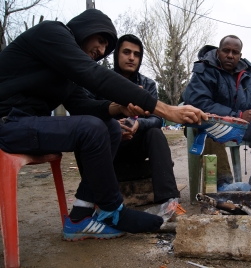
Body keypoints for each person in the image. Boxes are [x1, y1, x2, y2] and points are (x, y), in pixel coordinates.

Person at [0, 9, 206, 241]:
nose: (100, 51)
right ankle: (111, 210)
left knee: (107, 125)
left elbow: (81, 105)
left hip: (29, 125)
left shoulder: (67, 75)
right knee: (93, 127)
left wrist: (119, 108)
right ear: (85, 28)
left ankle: (80, 217)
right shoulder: (51, 33)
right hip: (8, 122)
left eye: (106, 47)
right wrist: (167, 109)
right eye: (100, 41)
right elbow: (93, 75)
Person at [86, 34, 180, 204]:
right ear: (116, 55)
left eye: (136, 54)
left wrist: (138, 124)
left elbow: (157, 119)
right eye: (126, 52)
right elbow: (88, 114)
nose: (131, 58)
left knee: (155, 133)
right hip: (109, 157)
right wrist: (113, 128)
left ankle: (169, 202)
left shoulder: (148, 84)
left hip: (136, 152)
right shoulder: (99, 80)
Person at [183, 35, 251, 191]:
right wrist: (238, 115)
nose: (230, 55)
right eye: (226, 51)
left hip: (240, 126)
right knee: (209, 123)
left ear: (240, 55)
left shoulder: (248, 74)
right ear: (218, 52)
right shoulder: (204, 69)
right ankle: (223, 185)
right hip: (209, 124)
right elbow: (198, 103)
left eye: (235, 52)